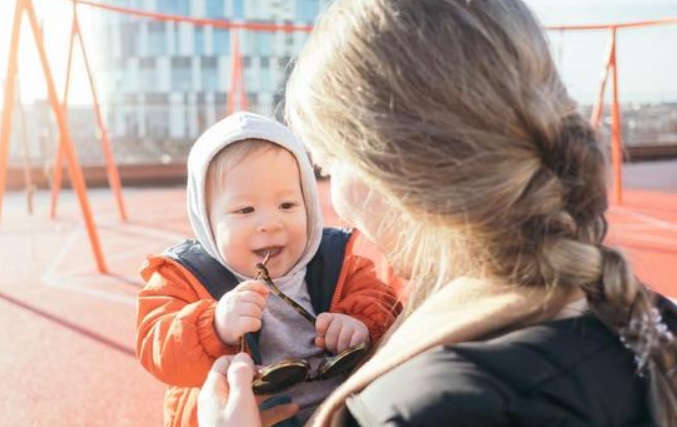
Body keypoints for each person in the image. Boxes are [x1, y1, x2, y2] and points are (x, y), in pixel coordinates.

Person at [197, 0, 677, 426]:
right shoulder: (651, 319)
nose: (334, 198)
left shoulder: (420, 408)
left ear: (390, 171)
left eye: (328, 166)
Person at [135, 111, 401, 427]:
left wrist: (360, 325)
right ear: (206, 219)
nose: (270, 224)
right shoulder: (184, 275)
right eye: (245, 210)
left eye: (287, 205)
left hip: (338, 412)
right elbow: (157, 348)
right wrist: (214, 325)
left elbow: (382, 300)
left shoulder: (339, 257)